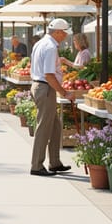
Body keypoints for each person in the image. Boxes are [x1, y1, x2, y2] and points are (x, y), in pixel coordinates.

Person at [29, 19, 72, 177]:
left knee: (55, 126)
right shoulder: (51, 47)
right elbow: (49, 75)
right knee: (44, 127)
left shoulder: (41, 43)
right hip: (45, 88)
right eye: (65, 33)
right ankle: (37, 165)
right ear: (58, 32)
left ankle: (55, 162)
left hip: (41, 86)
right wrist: (64, 92)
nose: (65, 36)